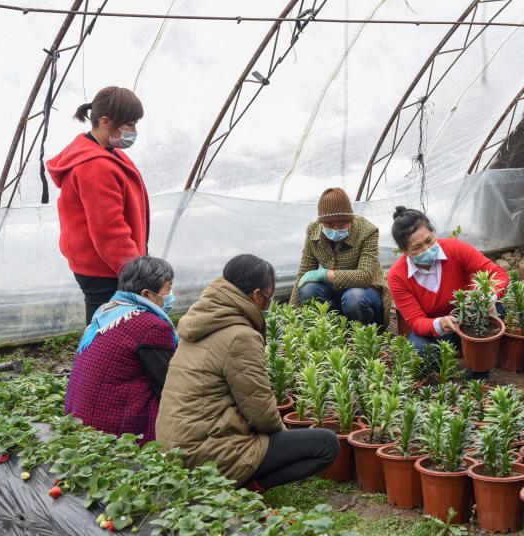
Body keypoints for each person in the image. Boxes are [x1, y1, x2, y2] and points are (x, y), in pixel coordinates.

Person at [156, 254, 338, 489]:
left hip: (174, 447)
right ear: (255, 295)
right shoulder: (240, 336)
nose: (267, 305)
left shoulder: (200, 320)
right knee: (326, 444)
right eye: (268, 298)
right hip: (206, 456)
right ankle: (247, 488)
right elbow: (260, 410)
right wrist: (281, 439)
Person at [47, 86, 149, 325]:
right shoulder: (95, 166)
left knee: (106, 327)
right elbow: (109, 230)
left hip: (108, 264)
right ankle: (96, 363)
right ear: (105, 122)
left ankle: (97, 361)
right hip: (104, 268)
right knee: (105, 331)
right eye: (130, 124)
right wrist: (138, 275)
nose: (134, 131)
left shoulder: (106, 151)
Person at [65, 256, 177, 444]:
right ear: (147, 295)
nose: (172, 294)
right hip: (110, 429)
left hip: (77, 419)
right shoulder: (151, 326)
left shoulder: (107, 312)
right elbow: (170, 385)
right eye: (168, 287)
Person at [387, 206, 509, 358]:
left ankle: (476, 360)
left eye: (429, 240)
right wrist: (439, 324)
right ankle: (461, 347)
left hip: (471, 315)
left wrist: (488, 296)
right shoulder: (397, 276)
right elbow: (416, 321)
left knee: (495, 311)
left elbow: (497, 273)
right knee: (418, 349)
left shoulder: (454, 249)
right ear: (404, 251)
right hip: (441, 331)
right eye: (417, 247)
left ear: (433, 233)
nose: (427, 249)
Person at [290, 188, 390, 326]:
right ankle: (336, 329)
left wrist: (326, 274)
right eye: (329, 225)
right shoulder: (313, 231)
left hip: (366, 293)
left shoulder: (367, 231)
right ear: (321, 223)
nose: (336, 230)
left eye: (342, 225)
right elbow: (303, 273)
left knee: (354, 298)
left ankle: (364, 332)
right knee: (308, 289)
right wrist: (291, 315)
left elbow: (365, 276)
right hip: (335, 292)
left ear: (351, 219)